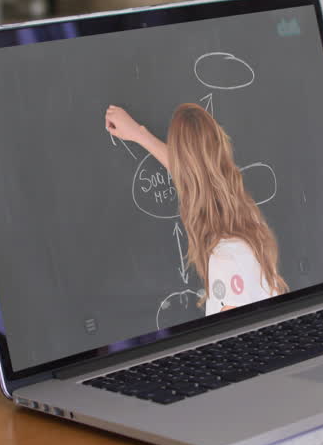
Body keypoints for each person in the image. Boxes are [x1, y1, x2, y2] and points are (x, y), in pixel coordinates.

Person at [106, 103, 288, 315]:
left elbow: (233, 341)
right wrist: (139, 134)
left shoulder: (224, 261)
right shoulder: (249, 222)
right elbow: (197, 179)